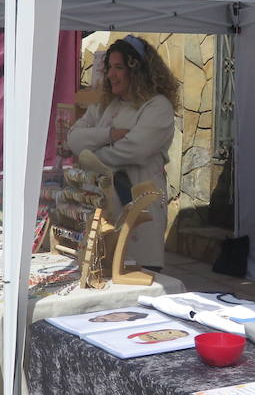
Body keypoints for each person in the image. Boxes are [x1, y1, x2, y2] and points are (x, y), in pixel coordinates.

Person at [66, 35, 179, 271]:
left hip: (140, 205)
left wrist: (91, 157)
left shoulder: (157, 107)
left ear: (136, 70)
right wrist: (109, 134)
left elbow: (134, 150)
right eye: (109, 68)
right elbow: (73, 139)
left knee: (139, 271)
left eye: (118, 67)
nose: (111, 74)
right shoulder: (107, 105)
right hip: (106, 207)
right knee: (104, 271)